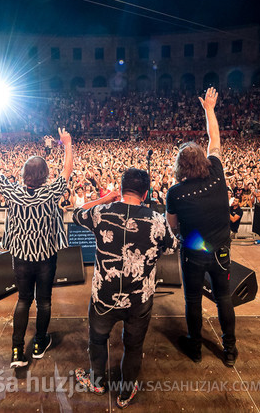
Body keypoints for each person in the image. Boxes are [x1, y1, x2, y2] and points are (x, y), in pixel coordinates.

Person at [72, 168, 177, 408]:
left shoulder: (100, 213)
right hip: (139, 298)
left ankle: (97, 382)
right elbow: (171, 248)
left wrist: (105, 199)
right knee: (134, 345)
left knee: (97, 339)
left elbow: (77, 213)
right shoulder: (156, 220)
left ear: (120, 188)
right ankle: (125, 392)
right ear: (146, 192)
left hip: (104, 295)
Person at [0, 128, 73, 368]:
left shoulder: (13, 192)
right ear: (45, 174)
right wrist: (67, 144)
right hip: (46, 257)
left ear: (24, 173)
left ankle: (17, 351)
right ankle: (39, 343)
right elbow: (67, 171)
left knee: (23, 300)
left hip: (20, 257)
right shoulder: (51, 193)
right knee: (45, 301)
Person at [166, 87, 238, 366]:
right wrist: (209, 110)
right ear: (203, 161)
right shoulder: (217, 173)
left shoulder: (175, 192)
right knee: (223, 298)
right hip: (221, 250)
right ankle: (229, 350)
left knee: (193, 301)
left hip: (194, 254)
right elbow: (215, 139)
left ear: (179, 167)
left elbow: (172, 227)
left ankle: (195, 347)